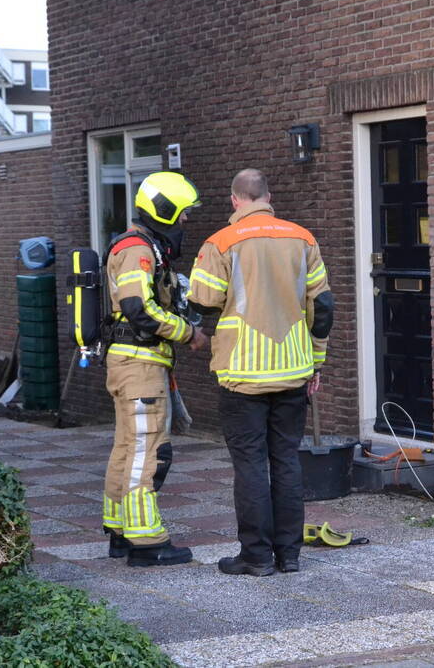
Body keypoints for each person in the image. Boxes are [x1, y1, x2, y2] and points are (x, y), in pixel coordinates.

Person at [187, 168, 334, 576]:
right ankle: (289, 555)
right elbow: (322, 307)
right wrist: (316, 361)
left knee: (250, 464)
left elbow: (202, 302)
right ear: (268, 196)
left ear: (236, 200)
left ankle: (256, 556)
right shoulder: (303, 239)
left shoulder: (219, 243)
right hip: (293, 369)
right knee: (286, 459)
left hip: (241, 374)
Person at [102, 171, 208, 567]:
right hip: (139, 365)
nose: (185, 223)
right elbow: (138, 308)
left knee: (127, 447)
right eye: (182, 215)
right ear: (164, 211)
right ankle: (146, 542)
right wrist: (188, 333)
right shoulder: (138, 250)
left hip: (131, 363)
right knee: (149, 451)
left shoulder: (140, 246)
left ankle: (118, 529)